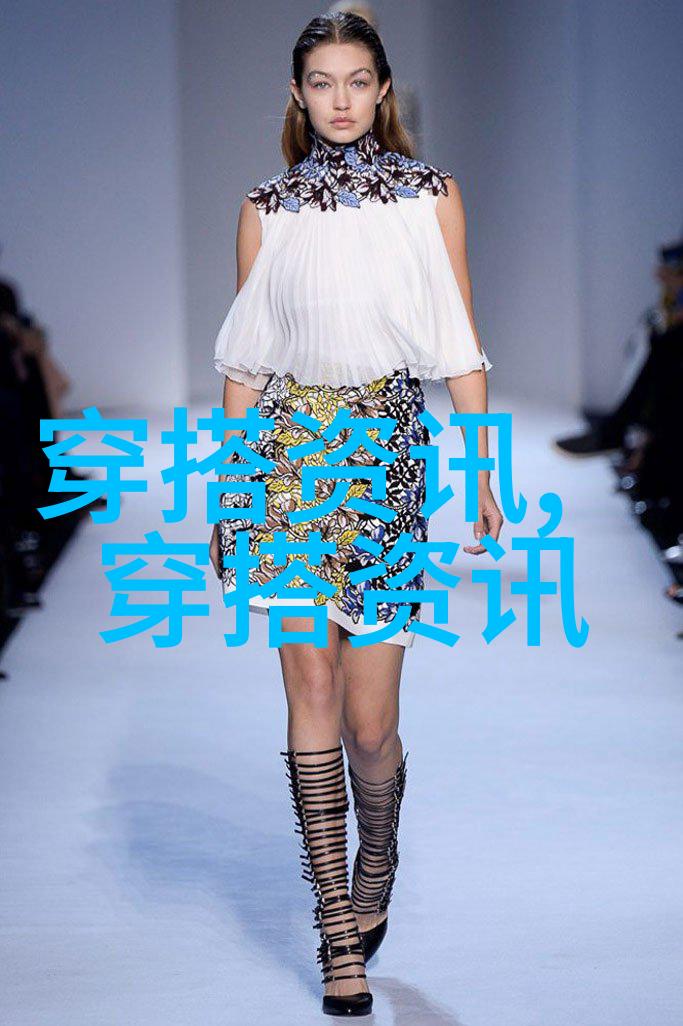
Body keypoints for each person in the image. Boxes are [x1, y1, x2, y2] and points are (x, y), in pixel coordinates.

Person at [209, 12, 503, 1017]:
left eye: (356, 80)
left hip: (385, 462)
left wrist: (484, 471)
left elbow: (457, 339)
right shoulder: (265, 210)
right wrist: (232, 487)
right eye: (321, 82)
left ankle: (376, 853)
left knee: (372, 726)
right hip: (290, 461)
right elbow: (246, 361)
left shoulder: (431, 197)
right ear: (297, 95)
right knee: (311, 688)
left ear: (383, 90)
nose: (339, 99)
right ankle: (336, 928)